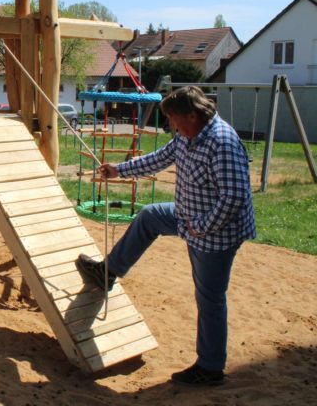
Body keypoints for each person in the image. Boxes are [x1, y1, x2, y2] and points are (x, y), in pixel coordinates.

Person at [76, 86, 256, 386]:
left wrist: (201, 226)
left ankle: (210, 368)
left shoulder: (221, 142)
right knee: (150, 216)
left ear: (193, 114)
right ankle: (107, 273)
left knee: (209, 297)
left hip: (217, 233)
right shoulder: (186, 136)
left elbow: (235, 197)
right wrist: (119, 170)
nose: (172, 126)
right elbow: (159, 159)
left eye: (174, 119)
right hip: (188, 215)